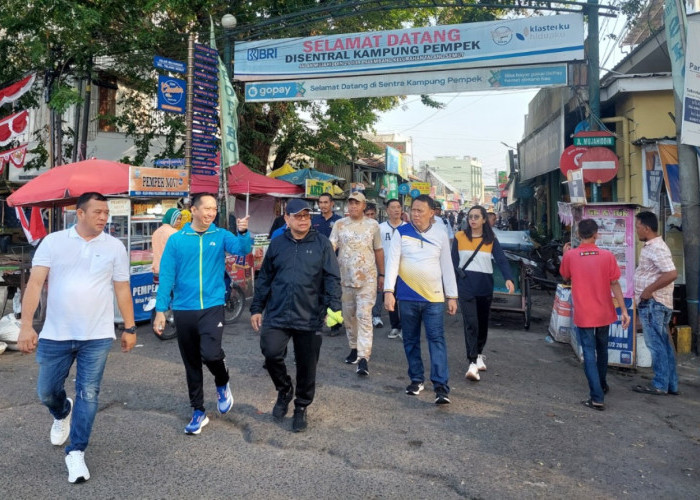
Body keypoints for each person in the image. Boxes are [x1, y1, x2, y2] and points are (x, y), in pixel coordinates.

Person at [17, 192, 137, 484]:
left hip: (96, 335)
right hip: (56, 334)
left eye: (106, 213)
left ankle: (77, 451)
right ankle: (62, 412)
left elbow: (122, 288)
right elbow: (35, 283)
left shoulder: (114, 247)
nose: (103, 217)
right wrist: (26, 326)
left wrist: (130, 328)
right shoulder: (54, 242)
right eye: (97, 212)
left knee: (90, 393)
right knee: (46, 391)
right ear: (79, 214)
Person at [154, 192, 252, 435]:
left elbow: (242, 250)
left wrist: (243, 232)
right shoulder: (177, 240)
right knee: (191, 363)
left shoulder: (219, 236)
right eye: (205, 208)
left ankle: (222, 382)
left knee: (210, 354)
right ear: (193, 211)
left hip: (212, 305)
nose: (210, 213)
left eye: (213, 209)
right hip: (184, 308)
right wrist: (160, 310)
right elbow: (166, 276)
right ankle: (198, 411)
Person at [250, 199, 342, 433]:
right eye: (298, 216)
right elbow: (265, 279)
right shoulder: (278, 244)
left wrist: (334, 307)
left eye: (306, 216)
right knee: (270, 353)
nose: (303, 220)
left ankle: (301, 406)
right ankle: (284, 391)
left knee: (306, 365)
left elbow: (332, 277)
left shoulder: (322, 244)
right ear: (287, 219)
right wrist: (256, 308)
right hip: (278, 313)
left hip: (309, 314)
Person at [384, 195, 458, 404]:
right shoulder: (402, 232)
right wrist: (389, 291)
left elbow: (447, 266)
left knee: (436, 340)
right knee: (410, 340)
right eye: (413, 210)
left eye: (420, 211)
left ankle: (441, 387)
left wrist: (452, 296)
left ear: (431, 212)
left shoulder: (441, 234)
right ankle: (416, 379)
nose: (415, 214)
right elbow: (392, 263)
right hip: (407, 297)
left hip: (433, 299)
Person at [560, 219, 630, 411]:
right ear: (596, 234)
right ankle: (602, 384)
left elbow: (565, 275)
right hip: (604, 312)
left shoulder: (571, 256)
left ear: (577, 234)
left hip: (584, 313)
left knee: (589, 353)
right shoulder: (607, 256)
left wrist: (565, 254)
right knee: (603, 349)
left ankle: (597, 396)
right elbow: (615, 284)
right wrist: (624, 310)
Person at [452, 205, 515, 382]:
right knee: (470, 323)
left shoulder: (491, 239)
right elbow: (453, 263)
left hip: (485, 285)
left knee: (482, 323)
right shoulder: (459, 237)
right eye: (470, 217)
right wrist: (451, 288)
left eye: (476, 217)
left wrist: (509, 278)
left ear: (483, 220)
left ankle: (479, 353)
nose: (472, 220)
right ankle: (472, 362)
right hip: (466, 285)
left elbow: (501, 259)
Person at [329, 192, 384, 376]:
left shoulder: (373, 225)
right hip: (345, 279)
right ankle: (353, 347)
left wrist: (382, 274)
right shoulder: (339, 225)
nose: (352, 206)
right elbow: (331, 248)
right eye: (350, 203)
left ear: (363, 206)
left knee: (364, 315)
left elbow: (378, 250)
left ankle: (363, 357)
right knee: (349, 316)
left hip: (367, 279)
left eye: (356, 203)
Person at [632, 211, 679, 396]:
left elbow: (671, 273)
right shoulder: (651, 246)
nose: (636, 230)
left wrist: (648, 290)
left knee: (656, 345)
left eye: (637, 227)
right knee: (664, 344)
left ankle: (660, 384)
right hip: (656, 303)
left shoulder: (657, 247)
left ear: (646, 227)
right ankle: (671, 384)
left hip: (654, 303)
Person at [376, 198, 405, 339]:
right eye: (393, 207)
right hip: (387, 270)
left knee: (404, 300)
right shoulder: (381, 228)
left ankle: (405, 327)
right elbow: (377, 249)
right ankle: (395, 326)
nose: (396, 209)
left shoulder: (408, 227)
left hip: (405, 272)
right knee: (390, 298)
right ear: (387, 210)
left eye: (398, 207)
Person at [151, 208, 181, 276]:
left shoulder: (156, 232)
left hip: (157, 270)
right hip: (170, 271)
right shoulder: (175, 233)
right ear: (170, 218)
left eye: (180, 219)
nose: (179, 221)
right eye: (176, 219)